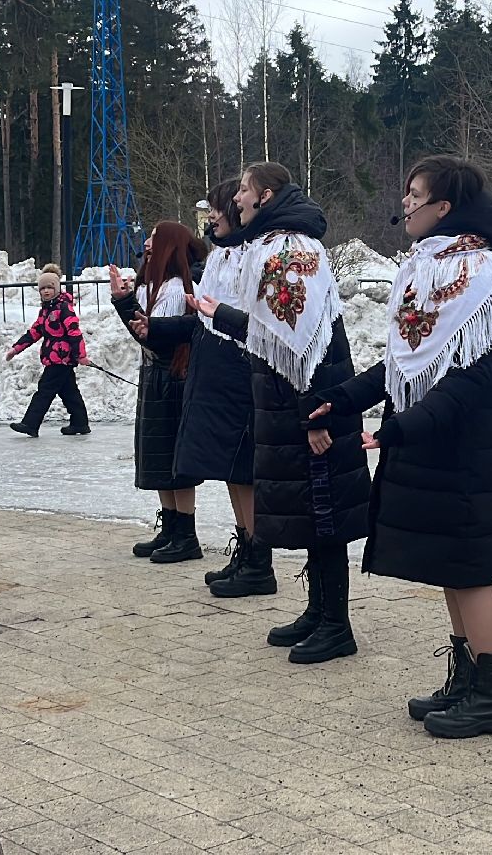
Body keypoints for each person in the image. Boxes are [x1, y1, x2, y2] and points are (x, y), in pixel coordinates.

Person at [308, 155, 492, 738]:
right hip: (432, 444)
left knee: (472, 569)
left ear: (443, 208)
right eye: (405, 191)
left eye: (414, 193)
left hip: (465, 449)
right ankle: (468, 678)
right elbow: (405, 364)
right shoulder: (426, 270)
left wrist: (401, 427)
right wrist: (345, 398)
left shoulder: (482, 279)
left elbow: (469, 379)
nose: (404, 202)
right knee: (450, 568)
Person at [192, 163, 371, 663]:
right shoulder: (276, 245)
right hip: (293, 399)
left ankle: (337, 624)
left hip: (311, 401)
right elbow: (270, 331)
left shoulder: (289, 250)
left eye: (245, 190)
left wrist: (313, 415)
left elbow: (301, 343)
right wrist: (219, 315)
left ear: (265, 196)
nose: (238, 199)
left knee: (324, 509)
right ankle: (319, 610)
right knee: (314, 514)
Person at [129, 183, 272, 598]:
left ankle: (258, 561)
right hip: (216, 377)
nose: (208, 219)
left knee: (243, 471)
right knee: (232, 473)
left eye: (214, 211)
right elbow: (201, 323)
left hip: (238, 375)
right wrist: (153, 326)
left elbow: (251, 322)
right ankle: (246, 552)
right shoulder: (222, 256)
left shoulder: (250, 256)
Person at [109, 222, 209, 564]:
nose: (148, 243)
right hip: (159, 376)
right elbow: (146, 333)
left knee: (173, 458)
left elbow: (155, 337)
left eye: (155, 238)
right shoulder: (157, 285)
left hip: (174, 379)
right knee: (157, 455)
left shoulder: (180, 288)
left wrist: (124, 305)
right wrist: (125, 299)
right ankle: (170, 527)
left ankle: (186, 534)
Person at [6, 265, 90, 437]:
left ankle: (30, 423)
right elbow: (34, 332)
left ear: (57, 288)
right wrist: (16, 349)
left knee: (44, 391)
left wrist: (81, 355)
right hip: (53, 358)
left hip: (62, 358)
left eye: (50, 287)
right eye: (43, 288)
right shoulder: (46, 310)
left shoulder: (64, 308)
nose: (46, 291)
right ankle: (80, 423)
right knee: (69, 392)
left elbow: (74, 331)